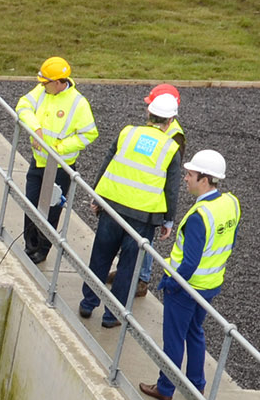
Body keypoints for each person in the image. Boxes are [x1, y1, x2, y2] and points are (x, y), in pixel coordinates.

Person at [141, 149, 239, 400]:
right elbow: (231, 241)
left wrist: (171, 283)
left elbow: (190, 262)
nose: (185, 178)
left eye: (190, 174)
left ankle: (165, 387)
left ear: (204, 180)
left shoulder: (199, 216)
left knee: (174, 338)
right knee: (195, 332)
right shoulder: (231, 204)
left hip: (187, 288)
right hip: (210, 286)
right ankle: (197, 386)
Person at [79, 90, 183, 329]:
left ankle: (87, 303)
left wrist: (97, 196)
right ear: (169, 122)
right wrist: (168, 221)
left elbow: (107, 163)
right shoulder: (170, 148)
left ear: (149, 113)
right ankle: (112, 315)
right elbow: (171, 187)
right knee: (128, 265)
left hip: (112, 207)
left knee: (101, 255)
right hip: (143, 217)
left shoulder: (128, 133)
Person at [16, 56, 97, 263]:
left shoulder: (78, 104)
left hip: (60, 166)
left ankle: (42, 250)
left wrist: (59, 148)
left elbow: (89, 134)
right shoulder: (42, 92)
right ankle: (30, 245)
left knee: (51, 210)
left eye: (46, 83)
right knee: (31, 203)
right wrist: (36, 130)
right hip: (39, 162)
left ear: (60, 82)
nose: (42, 86)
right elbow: (23, 106)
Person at [136, 83, 186, 297]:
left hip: (154, 194)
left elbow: (170, 173)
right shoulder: (163, 126)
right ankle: (129, 272)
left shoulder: (175, 136)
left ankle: (142, 279)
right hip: (144, 188)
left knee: (146, 238)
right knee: (137, 236)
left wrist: (168, 216)